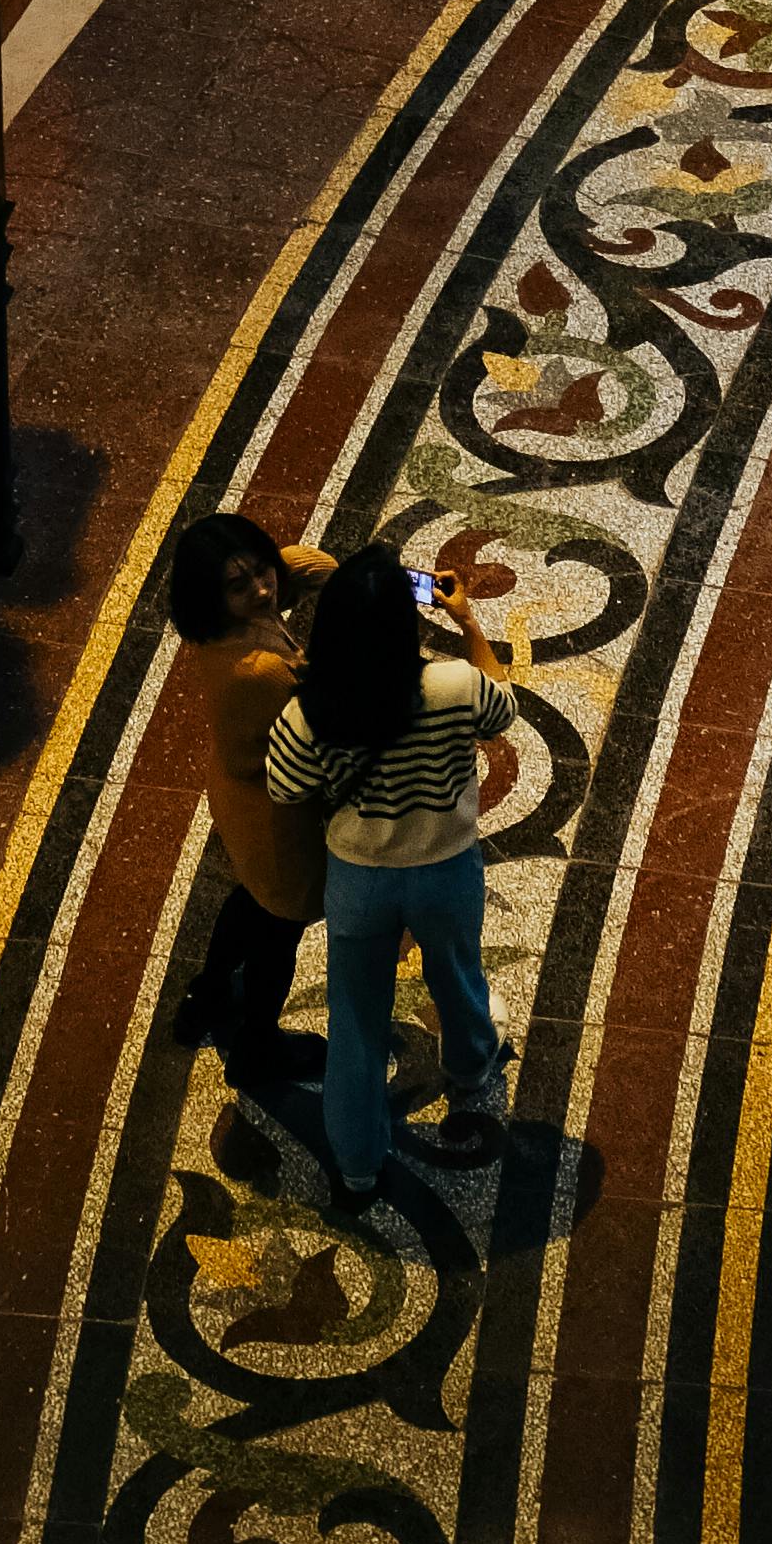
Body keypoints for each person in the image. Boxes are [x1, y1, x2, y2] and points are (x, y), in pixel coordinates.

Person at [257, 544, 516, 1215]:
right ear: (407, 623)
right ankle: (470, 1065)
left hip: (361, 879)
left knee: (356, 1020)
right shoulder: (453, 686)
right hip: (445, 868)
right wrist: (469, 625)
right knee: (457, 975)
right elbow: (503, 713)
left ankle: (358, 1167)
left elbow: (285, 788)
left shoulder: (311, 711)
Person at [160, 508, 331, 1094]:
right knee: (277, 936)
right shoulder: (260, 672)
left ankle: (206, 997)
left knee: (250, 904)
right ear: (213, 594)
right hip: (279, 822)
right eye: (240, 585)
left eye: (263, 572)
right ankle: (257, 1046)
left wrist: (271, 567)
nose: (262, 590)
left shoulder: (213, 627)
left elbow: (317, 566)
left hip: (241, 799)